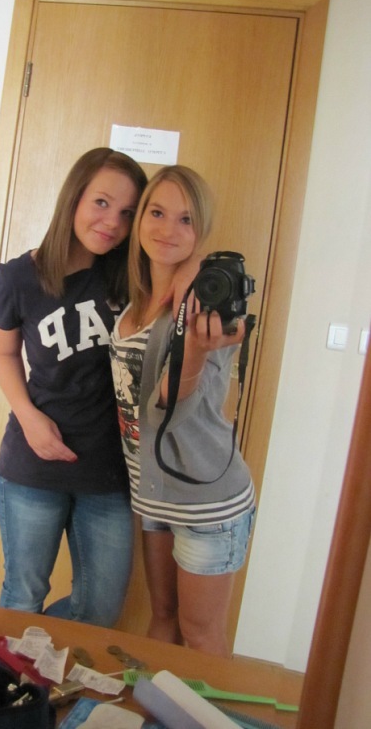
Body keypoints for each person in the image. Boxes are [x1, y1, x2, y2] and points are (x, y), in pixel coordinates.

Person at [0, 147, 148, 627]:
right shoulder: (19, 279)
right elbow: (3, 354)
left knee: (99, 610)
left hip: (109, 471)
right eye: (102, 202)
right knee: (24, 596)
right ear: (74, 197)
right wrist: (28, 417)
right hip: (33, 465)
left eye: (127, 213)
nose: (112, 222)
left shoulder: (132, 278)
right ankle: (16, 672)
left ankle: (43, 653)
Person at [110, 165, 256, 656]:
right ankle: (155, 700)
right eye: (157, 212)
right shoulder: (134, 299)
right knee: (162, 618)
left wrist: (193, 345)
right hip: (153, 493)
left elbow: (168, 407)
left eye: (186, 219)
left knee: (201, 635)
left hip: (206, 503)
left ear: (201, 231)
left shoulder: (208, 304)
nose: (168, 229)